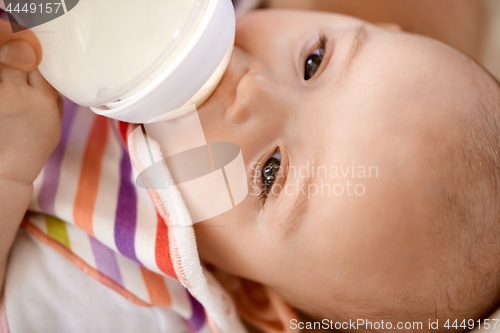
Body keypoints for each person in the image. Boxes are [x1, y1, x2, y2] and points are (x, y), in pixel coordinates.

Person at [1, 4, 500, 333]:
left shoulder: (134, 302)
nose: (252, 86)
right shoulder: (198, 17)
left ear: (251, 292)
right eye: (314, 61)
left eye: (271, 172)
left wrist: (8, 173)